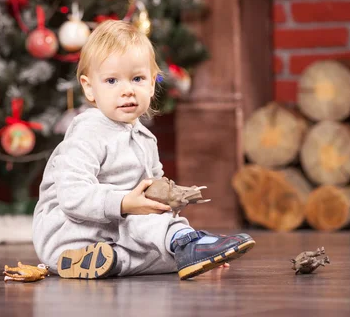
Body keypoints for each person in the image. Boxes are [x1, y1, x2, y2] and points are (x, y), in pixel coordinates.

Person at [32, 20, 255, 280]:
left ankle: (142, 256)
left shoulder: (145, 139)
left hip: (113, 235)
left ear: (151, 84)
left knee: (163, 247)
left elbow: (154, 204)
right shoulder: (87, 133)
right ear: (90, 87)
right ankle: (183, 245)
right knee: (145, 221)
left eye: (137, 78)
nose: (127, 90)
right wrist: (127, 203)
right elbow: (72, 197)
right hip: (70, 231)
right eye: (112, 80)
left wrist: (168, 204)